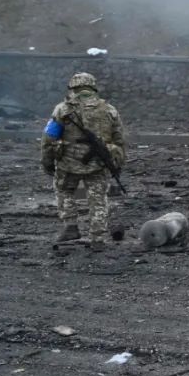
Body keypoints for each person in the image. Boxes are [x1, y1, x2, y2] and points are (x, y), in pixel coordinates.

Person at [41, 72, 126, 250]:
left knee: (64, 190)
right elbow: (119, 140)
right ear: (93, 87)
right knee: (98, 198)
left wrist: (47, 162)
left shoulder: (62, 109)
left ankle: (70, 226)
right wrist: (117, 163)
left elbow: (49, 138)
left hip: (68, 162)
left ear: (72, 88)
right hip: (98, 163)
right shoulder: (109, 109)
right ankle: (98, 238)